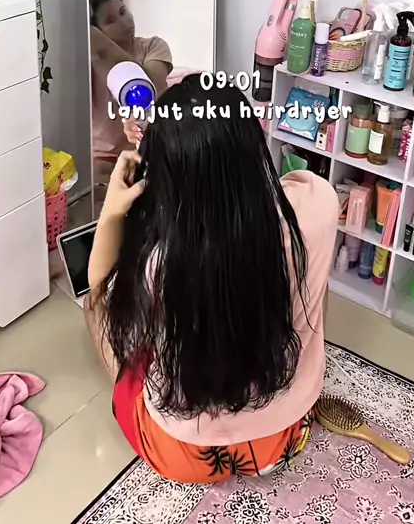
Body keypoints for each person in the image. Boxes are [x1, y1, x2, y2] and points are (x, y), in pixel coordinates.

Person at [85, 76, 338, 484]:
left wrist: (114, 212)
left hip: (186, 453)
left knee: (96, 305)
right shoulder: (318, 203)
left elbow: (101, 289)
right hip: (286, 432)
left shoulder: (162, 264)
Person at [89, 0, 172, 172]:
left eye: (123, 12)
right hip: (103, 156)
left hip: (151, 149)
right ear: (97, 31)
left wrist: (102, 45)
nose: (123, 22)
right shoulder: (90, 64)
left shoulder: (153, 46)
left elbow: (153, 87)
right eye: (110, 21)